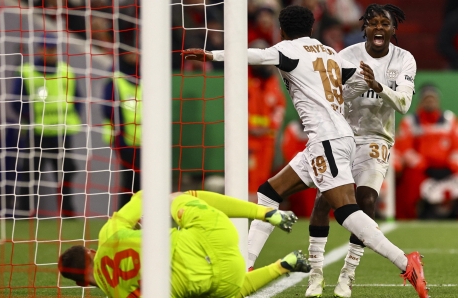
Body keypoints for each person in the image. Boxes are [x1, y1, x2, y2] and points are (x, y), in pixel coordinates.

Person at [182, 5, 429, 298]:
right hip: (333, 139)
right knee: (269, 193)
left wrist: (212, 55)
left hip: (328, 140)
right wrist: (378, 83)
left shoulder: (287, 50)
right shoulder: (326, 52)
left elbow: (252, 55)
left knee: (348, 212)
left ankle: (406, 262)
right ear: (312, 29)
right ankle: (244, 268)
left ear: (282, 31)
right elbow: (354, 77)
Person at [302, 4, 417, 298]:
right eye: (372, 23)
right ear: (363, 26)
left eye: (385, 23)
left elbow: (403, 104)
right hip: (342, 135)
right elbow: (332, 96)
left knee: (366, 199)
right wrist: (354, 88)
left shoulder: (404, 59)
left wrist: (378, 86)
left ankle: (347, 275)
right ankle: (315, 275)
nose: (378, 28)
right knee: (322, 205)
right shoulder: (345, 57)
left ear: (394, 30)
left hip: (377, 138)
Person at [58, 190, 308, 297]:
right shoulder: (107, 235)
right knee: (176, 198)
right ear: (91, 250)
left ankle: (283, 265)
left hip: (225, 279)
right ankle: (265, 213)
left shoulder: (121, 294)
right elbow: (144, 197)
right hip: (215, 234)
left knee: (216, 291)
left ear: (82, 284)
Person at [12, 33, 81, 217]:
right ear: (39, 50)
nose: (50, 52)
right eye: (46, 48)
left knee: (66, 173)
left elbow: (78, 98)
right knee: (30, 175)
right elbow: (17, 101)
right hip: (37, 134)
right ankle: (25, 213)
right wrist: (30, 117)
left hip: (61, 134)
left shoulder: (66, 71)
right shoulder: (26, 71)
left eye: (52, 48)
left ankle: (68, 212)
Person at [395, 84, 458, 219]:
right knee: (410, 181)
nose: (430, 101)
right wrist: (425, 166)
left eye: (433, 98)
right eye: (427, 99)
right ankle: (410, 219)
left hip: (448, 168)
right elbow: (405, 149)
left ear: (438, 101)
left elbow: (456, 146)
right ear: (421, 101)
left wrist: (451, 166)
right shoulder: (410, 121)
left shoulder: (450, 119)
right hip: (422, 169)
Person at [247, 39, 286, 200]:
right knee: (248, 173)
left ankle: (257, 209)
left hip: (267, 137)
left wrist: (272, 126)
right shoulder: (243, 78)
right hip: (248, 137)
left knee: (263, 174)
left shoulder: (272, 79)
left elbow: (279, 106)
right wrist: (249, 127)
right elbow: (234, 104)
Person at [103, 50, 142, 210]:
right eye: (130, 53)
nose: (134, 56)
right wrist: (120, 133)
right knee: (130, 179)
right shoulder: (115, 79)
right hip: (123, 139)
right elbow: (108, 109)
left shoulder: (145, 77)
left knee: (142, 181)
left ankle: (139, 216)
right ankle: (124, 216)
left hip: (146, 140)